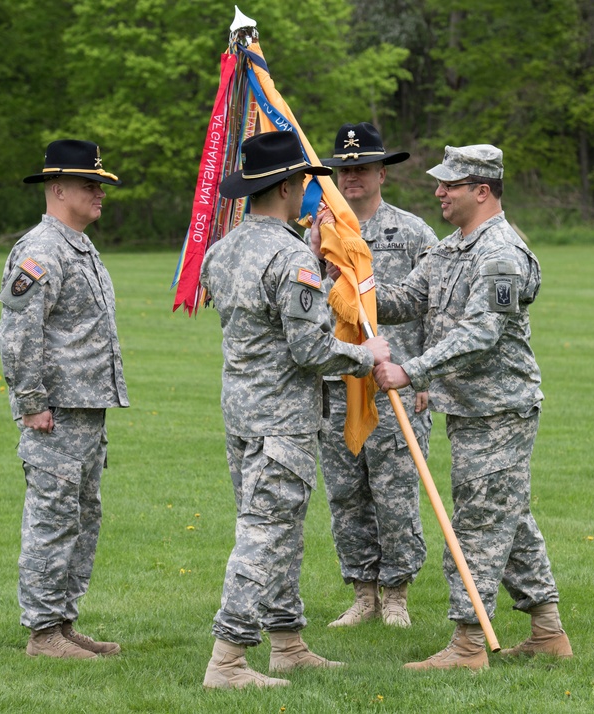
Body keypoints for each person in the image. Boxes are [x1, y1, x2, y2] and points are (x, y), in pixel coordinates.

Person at [199, 131, 391, 689]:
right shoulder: (288, 258)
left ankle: (286, 643)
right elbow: (309, 349)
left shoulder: (225, 248)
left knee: (276, 531)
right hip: (281, 419)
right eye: (305, 183)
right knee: (265, 536)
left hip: (242, 413)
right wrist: (366, 353)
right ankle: (228, 660)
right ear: (286, 186)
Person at [372, 145, 572, 670]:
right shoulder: (448, 250)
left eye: (450, 185)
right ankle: (548, 632)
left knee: (477, 526)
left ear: (482, 191)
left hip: (499, 410)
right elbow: (401, 301)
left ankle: (466, 646)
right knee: (510, 517)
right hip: (466, 409)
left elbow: (484, 333)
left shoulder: (500, 253)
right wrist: (345, 273)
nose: (438, 191)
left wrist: (411, 370)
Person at [0, 139, 128, 659]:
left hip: (84, 409)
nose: (99, 192)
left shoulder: (77, 244)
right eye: (89, 184)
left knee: (80, 516)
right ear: (57, 189)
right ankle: (42, 633)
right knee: (52, 517)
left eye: (99, 183)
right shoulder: (42, 249)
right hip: (55, 414)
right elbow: (18, 333)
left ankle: (63, 622)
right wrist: (31, 401)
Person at [316, 123, 437, 628]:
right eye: (345, 170)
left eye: (362, 168)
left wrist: (425, 377)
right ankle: (363, 594)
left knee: (396, 493)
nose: (353, 178)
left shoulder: (412, 233)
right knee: (347, 495)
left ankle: (396, 597)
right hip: (338, 385)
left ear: (381, 172)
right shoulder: (319, 234)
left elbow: (436, 308)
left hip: (395, 390)